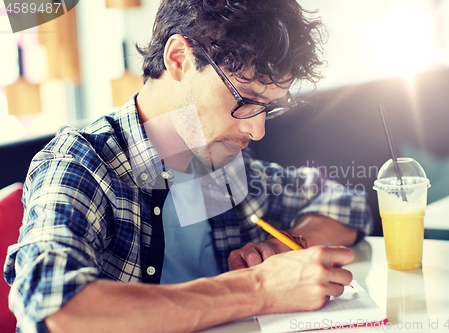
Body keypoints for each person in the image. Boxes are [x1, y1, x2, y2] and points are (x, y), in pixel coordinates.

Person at [4, 0, 373, 332]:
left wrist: (286, 249)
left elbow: (342, 201)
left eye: (270, 108)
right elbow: (57, 309)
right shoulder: (84, 165)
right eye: (246, 99)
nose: (257, 129)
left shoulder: (217, 167)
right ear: (179, 58)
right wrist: (260, 288)